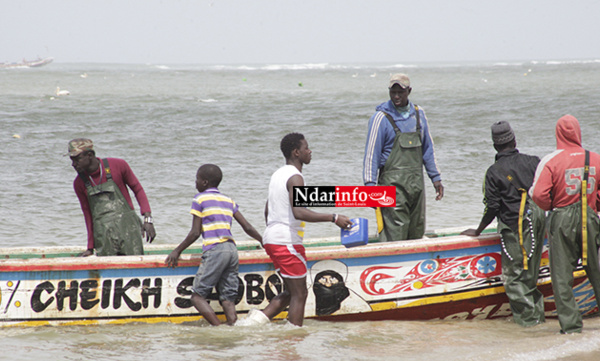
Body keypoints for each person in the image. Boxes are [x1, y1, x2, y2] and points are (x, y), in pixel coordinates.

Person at [239, 133, 353, 327]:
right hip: (286, 242)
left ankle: (252, 324)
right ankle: (293, 337)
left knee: (292, 291)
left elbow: (268, 209)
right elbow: (298, 211)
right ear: (296, 152)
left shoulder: (277, 175)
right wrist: (333, 218)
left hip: (272, 239)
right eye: (306, 148)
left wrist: (275, 233)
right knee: (300, 293)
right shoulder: (296, 177)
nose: (310, 151)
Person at [461, 121, 545, 327]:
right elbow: (545, 191)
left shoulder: (493, 172)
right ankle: (539, 321)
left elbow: (492, 207)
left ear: (494, 146)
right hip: (538, 223)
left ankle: (530, 326)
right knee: (531, 276)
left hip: (515, 228)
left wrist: (478, 230)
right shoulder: (534, 161)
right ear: (514, 140)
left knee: (515, 279)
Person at [165, 164, 263, 326]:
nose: (195, 182)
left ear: (204, 182)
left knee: (197, 296)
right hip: (232, 250)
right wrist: (262, 240)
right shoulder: (228, 200)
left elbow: (195, 233)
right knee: (228, 298)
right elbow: (247, 227)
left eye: (197, 179)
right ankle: (232, 326)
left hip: (215, 250)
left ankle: (218, 328)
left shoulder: (199, 199)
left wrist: (177, 250)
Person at [531, 115, 600, 334]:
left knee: (562, 277)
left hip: (561, 218)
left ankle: (571, 327)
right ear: (578, 132)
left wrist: (553, 205)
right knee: (596, 272)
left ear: (558, 134)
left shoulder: (551, 160)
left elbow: (538, 194)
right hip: (589, 217)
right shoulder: (595, 158)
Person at [363, 73, 444, 242]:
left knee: (416, 229)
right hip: (392, 188)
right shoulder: (380, 118)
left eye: (401, 92)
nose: (396, 96)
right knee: (395, 233)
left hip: (416, 186)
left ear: (409, 91)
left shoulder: (419, 114)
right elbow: (371, 155)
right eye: (393, 92)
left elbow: (427, 149)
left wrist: (435, 178)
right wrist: (370, 186)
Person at [68, 138, 156, 256]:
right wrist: (90, 247)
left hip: (128, 230)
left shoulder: (118, 165)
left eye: (77, 159)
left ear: (89, 155)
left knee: (133, 270)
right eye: (71, 160)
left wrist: (148, 219)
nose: (73, 164)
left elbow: (138, 189)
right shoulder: (79, 183)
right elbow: (88, 215)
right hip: (103, 235)